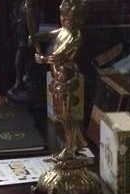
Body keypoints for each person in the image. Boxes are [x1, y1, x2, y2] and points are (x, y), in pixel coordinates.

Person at [26, 0, 86, 161]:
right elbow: (50, 34)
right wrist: (36, 36)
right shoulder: (63, 31)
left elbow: (58, 55)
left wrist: (43, 59)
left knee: (66, 115)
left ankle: (69, 147)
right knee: (61, 114)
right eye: (63, 15)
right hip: (58, 77)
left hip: (67, 77)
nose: (64, 19)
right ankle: (78, 142)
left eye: (68, 16)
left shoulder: (74, 36)